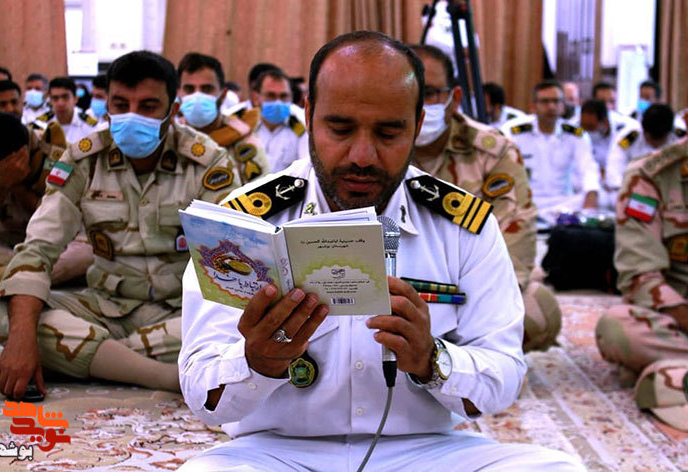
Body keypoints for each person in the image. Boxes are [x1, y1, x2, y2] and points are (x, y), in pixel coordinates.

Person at [178, 31, 583, 471]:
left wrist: (432, 360)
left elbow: (504, 373)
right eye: (340, 129)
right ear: (309, 115)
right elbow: (201, 391)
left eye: (389, 132)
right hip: (279, 451)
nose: (362, 155)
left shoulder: (462, 227)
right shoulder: (244, 225)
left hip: (423, 452)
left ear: (417, 124)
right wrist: (255, 362)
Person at [0, 50, 241, 401]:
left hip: (182, 313)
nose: (132, 116)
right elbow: (39, 247)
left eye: (148, 106)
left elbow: (231, 263)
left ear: (173, 110)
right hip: (105, 308)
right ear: (107, 106)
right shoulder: (83, 158)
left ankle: (99, 358)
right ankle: (165, 375)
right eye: (121, 105)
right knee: (0, 314)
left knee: (235, 326)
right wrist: (22, 337)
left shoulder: (208, 162)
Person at [411, 44, 559, 353]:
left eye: (430, 93)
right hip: (399, 289)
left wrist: (473, 310)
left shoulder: (493, 151)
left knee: (540, 310)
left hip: (472, 290)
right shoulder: (374, 149)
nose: (418, 104)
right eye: (409, 92)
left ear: (455, 99)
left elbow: (514, 235)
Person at [595, 137, 688, 431]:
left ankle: (671, 369)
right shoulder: (651, 176)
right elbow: (641, 275)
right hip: (678, 315)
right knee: (618, 328)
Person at [0, 110, 92, 286]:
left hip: (53, 244)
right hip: (7, 242)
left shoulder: (61, 161)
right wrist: (2, 185)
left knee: (84, 255)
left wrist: (18, 187)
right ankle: (24, 270)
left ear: (18, 155)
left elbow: (58, 221)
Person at [501, 80, 600, 216]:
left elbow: (588, 167)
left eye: (556, 101)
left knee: (601, 197)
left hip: (563, 203)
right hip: (525, 201)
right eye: (545, 101)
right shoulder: (513, 132)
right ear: (533, 106)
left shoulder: (576, 135)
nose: (551, 106)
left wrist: (591, 194)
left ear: (563, 106)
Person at [177, 52, 269, 184]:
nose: (197, 96)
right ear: (178, 94)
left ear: (223, 94)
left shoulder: (243, 140)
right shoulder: (170, 138)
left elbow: (263, 190)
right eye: (189, 89)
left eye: (207, 89)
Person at [605, 104, 684, 198]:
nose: (655, 144)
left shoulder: (681, 137)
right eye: (652, 138)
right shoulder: (630, 137)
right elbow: (615, 165)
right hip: (634, 191)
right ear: (643, 130)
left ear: (669, 132)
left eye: (660, 139)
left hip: (671, 191)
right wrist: (621, 189)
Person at [579, 99, 640, 209]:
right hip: (593, 182)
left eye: (591, 127)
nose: (586, 131)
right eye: (584, 126)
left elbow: (627, 160)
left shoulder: (628, 129)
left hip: (621, 183)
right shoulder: (576, 128)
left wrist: (613, 182)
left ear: (605, 122)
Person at [251, 69, 309, 173]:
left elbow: (306, 168)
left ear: (291, 97)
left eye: (283, 96)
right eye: (271, 95)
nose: (278, 102)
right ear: (256, 98)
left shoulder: (302, 124)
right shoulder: (244, 125)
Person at [30, 77, 97, 143]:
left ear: (75, 99)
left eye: (65, 97)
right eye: (55, 98)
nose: (60, 103)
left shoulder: (90, 126)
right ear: (50, 101)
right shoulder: (39, 124)